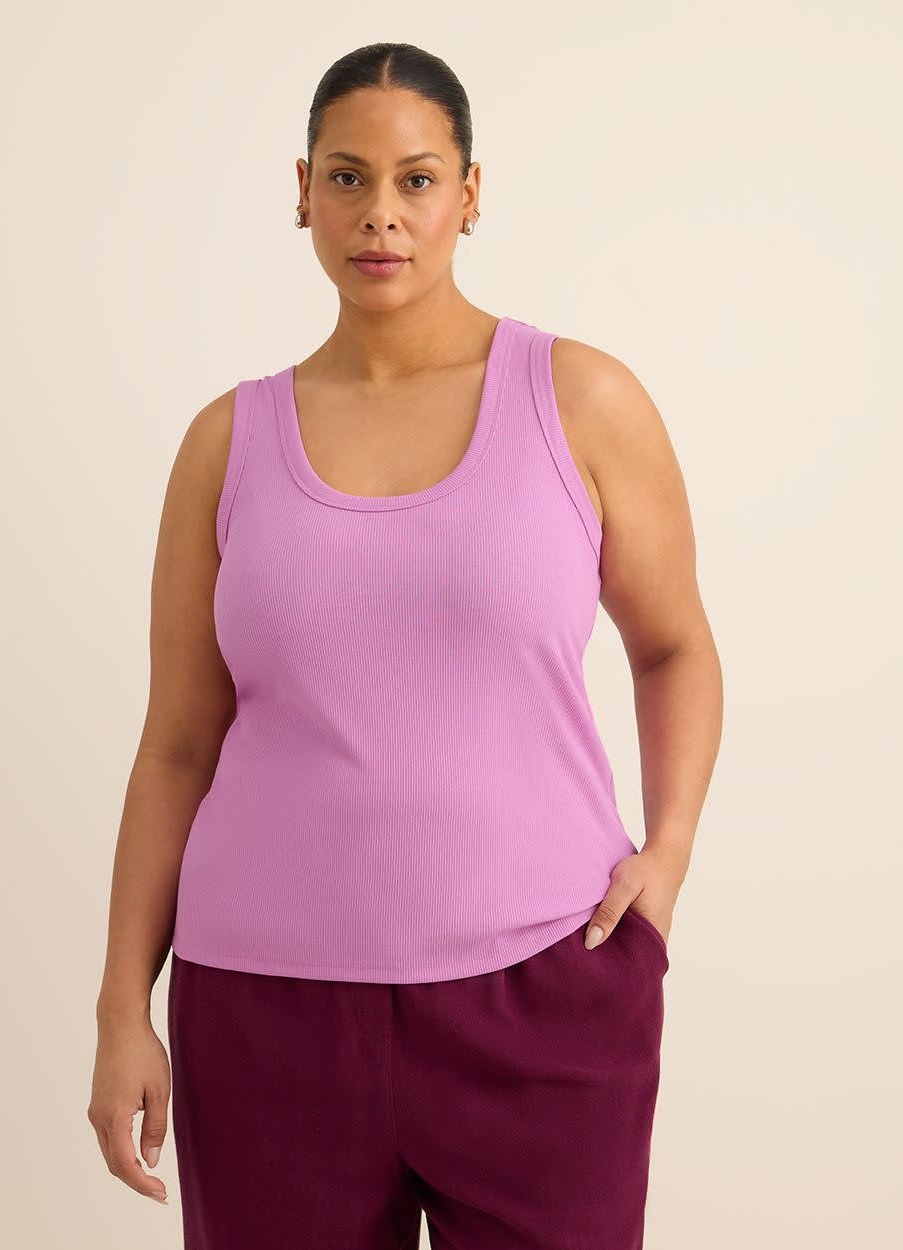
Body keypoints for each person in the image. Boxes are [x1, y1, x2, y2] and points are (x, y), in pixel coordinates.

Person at [88, 40, 723, 1250]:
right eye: (346, 177)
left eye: (417, 179)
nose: (379, 212)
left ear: (469, 195)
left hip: (545, 987)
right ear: (303, 191)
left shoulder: (579, 400)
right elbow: (175, 745)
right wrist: (125, 1003)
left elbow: (675, 646)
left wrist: (670, 847)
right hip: (263, 1010)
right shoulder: (226, 444)